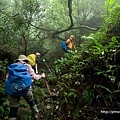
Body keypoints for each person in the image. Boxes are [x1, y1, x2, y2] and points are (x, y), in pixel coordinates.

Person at [6, 55, 45, 120]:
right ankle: (36, 114)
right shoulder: (28, 66)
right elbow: (34, 77)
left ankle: (12, 118)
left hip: (14, 89)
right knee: (31, 101)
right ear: (25, 60)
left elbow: (7, 79)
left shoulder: (12, 67)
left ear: (18, 60)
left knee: (13, 107)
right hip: (26, 89)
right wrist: (41, 76)